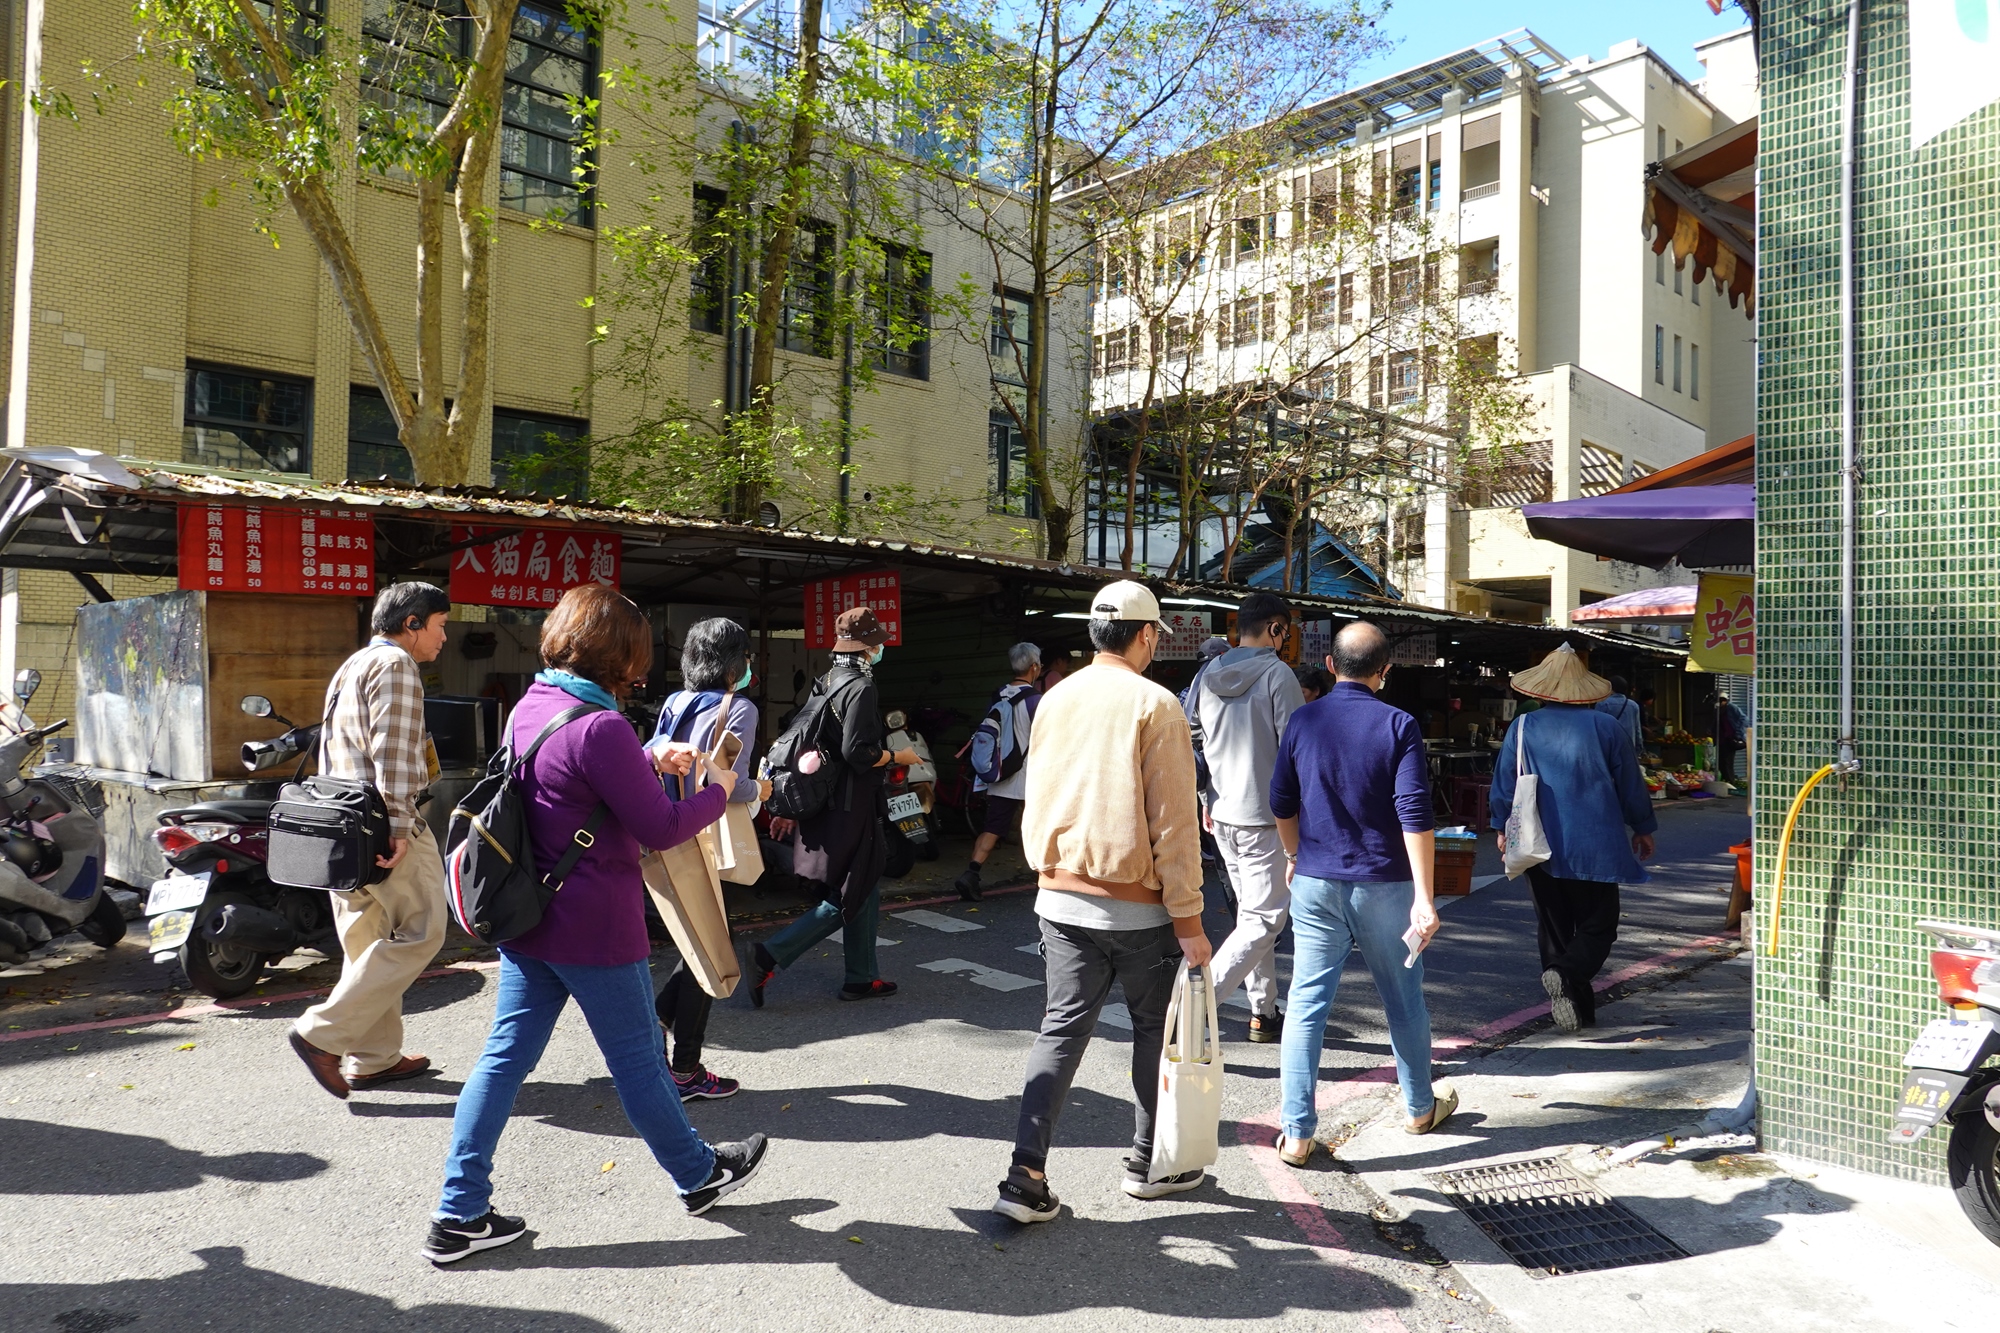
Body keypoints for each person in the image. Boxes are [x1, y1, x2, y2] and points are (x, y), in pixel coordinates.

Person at [427, 585, 769, 1264]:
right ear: (620, 655)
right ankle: (699, 1174)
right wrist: (719, 790)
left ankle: (458, 1212)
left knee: (502, 1062)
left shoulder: (534, 703)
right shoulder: (604, 726)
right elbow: (662, 826)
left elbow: (563, 781)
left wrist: (648, 760)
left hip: (530, 920)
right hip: (595, 927)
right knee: (640, 1062)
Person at [995, 580, 1212, 1225]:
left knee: (1060, 1030)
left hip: (1059, 896)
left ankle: (1025, 1177)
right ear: (1146, 635)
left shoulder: (1055, 698)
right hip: (1139, 907)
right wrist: (1191, 921)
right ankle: (1149, 1163)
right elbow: (1175, 824)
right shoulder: (1157, 704)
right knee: (1151, 1031)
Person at [1269, 621, 1455, 1168]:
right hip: (1385, 885)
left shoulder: (1304, 720)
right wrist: (1425, 897)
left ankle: (1296, 1134)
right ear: (1385, 671)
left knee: (1306, 1006)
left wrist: (1294, 856)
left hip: (1315, 883)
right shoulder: (1398, 724)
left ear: (1330, 666)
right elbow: (1414, 813)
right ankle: (1419, 1108)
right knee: (1403, 1001)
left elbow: (1281, 802)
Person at [289, 583, 452, 1100]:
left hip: (342, 829)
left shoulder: (353, 665)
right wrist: (400, 827)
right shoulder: (397, 665)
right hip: (382, 827)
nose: (444, 637)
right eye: (440, 625)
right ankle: (321, 1034)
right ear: (411, 624)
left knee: (364, 944)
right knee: (424, 932)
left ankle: (374, 1058)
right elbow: (394, 753)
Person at [745, 606, 918, 1005]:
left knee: (864, 885)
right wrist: (899, 757)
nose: (880, 650)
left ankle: (861, 977)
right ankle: (769, 955)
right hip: (852, 807)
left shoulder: (826, 681)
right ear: (869, 647)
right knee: (850, 892)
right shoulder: (861, 687)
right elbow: (858, 752)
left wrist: (792, 811)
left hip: (826, 802)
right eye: (878, 644)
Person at [1488, 644, 1658, 1032]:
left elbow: (1504, 784)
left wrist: (1501, 827)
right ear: (1584, 689)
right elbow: (1630, 784)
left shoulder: (1523, 726)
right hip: (1595, 843)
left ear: (1542, 688)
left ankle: (1574, 1002)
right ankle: (1566, 976)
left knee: (1554, 927)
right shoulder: (1606, 727)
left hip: (1537, 841)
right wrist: (1643, 827)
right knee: (1600, 925)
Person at [649, 617, 770, 1101]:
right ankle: (685, 1069)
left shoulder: (674, 702)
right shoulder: (739, 707)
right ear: (735, 665)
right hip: (706, 836)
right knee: (711, 946)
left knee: (696, 939)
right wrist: (761, 789)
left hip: (666, 828)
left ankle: (658, 1019)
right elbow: (729, 784)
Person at [1191, 592, 1303, 1044]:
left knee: (1251, 917)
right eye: (1285, 632)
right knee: (1264, 919)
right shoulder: (1278, 674)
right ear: (1275, 628)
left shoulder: (1207, 674)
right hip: (1267, 818)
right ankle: (1196, 1004)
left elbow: (1195, 742)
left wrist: (1205, 798)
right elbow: (1295, 754)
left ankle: (1264, 1010)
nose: (1285, 641)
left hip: (1221, 814)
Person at [954, 642, 1042, 902]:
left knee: (993, 827)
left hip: (1000, 773)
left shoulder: (997, 695)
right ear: (1034, 667)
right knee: (1039, 828)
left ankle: (971, 874)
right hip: (1029, 777)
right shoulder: (1036, 701)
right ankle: (1046, 878)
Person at [1594, 675, 1644, 753]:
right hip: (1628, 747)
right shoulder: (1634, 705)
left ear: (1610, 688)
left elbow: (1597, 728)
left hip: (1609, 747)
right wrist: (1639, 747)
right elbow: (1637, 728)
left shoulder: (1603, 704)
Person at [1716, 695, 1748, 784]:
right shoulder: (1720, 710)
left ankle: (1730, 782)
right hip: (1723, 739)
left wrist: (1738, 732)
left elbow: (1744, 719)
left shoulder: (1731, 707)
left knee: (1727, 762)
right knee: (1722, 761)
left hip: (1731, 738)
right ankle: (1726, 781)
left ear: (1724, 701)